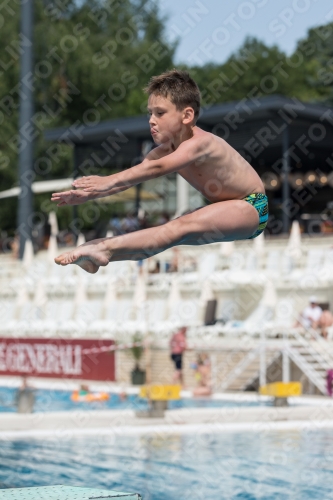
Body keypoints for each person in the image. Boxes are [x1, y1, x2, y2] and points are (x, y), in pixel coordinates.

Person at [51, 69, 268, 274]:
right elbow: (133, 177)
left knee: (181, 225)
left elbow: (157, 168)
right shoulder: (162, 152)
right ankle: (97, 255)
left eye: (160, 113)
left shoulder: (202, 143)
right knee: (170, 233)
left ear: (187, 115)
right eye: (150, 113)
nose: (151, 120)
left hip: (253, 206)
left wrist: (105, 181)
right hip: (226, 209)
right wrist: (90, 194)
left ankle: (102, 247)